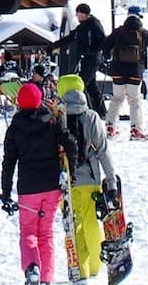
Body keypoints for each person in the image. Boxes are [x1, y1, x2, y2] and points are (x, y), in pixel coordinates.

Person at [0, 85, 70, 284]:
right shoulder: (52, 121)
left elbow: (8, 162)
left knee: (28, 231)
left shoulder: (14, 127)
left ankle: (32, 268)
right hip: (52, 185)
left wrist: (5, 192)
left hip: (28, 187)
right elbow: (69, 143)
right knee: (45, 233)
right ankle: (46, 278)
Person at [56, 74, 118, 280]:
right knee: (91, 222)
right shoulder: (91, 116)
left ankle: (79, 268)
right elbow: (103, 150)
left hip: (66, 182)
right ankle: (94, 266)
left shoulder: (57, 116)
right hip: (89, 180)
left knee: (73, 226)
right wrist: (111, 181)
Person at [103, 11, 148, 138]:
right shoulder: (143, 33)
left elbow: (106, 44)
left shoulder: (119, 31)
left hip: (118, 70)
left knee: (117, 99)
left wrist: (107, 57)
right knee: (134, 100)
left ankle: (110, 126)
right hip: (135, 70)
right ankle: (136, 129)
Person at [51, 3, 107, 114]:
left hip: (92, 59)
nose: (76, 15)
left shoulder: (94, 24)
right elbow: (71, 37)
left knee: (80, 83)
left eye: (78, 13)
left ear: (84, 13)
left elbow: (102, 42)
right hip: (85, 59)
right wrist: (54, 46)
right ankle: (100, 111)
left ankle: (80, 109)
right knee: (91, 86)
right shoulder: (82, 27)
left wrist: (90, 51)